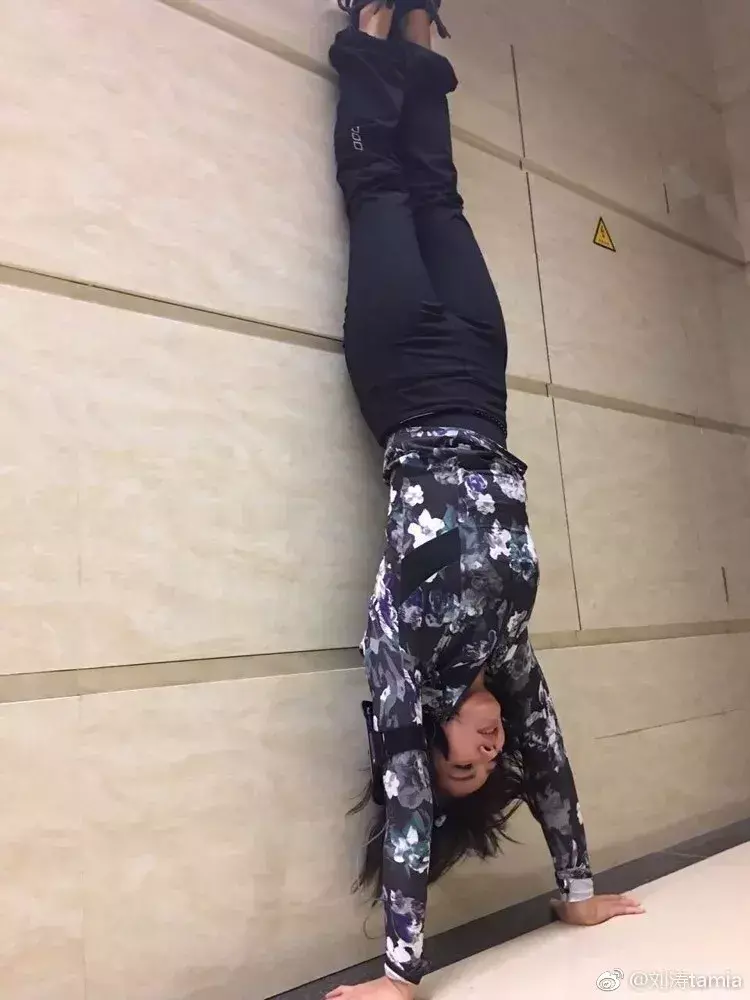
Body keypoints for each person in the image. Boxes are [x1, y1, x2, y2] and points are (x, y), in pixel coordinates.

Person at [326, 3, 644, 997]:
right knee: (440, 195)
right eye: (484, 766)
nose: (488, 749)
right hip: (480, 381)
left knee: (382, 190)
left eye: (461, 763)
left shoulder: (400, 652)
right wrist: (577, 889)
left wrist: (400, 976)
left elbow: (407, 810)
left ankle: (366, 29)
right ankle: (418, 37)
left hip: (402, 377)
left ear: (430, 742)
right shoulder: (509, 653)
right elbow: (551, 765)